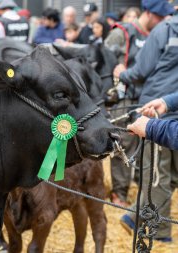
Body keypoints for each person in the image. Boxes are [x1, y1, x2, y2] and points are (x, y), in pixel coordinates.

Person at [114, 0, 177, 242]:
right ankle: (160, 233)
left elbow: (140, 72)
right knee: (166, 175)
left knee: (160, 176)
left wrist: (122, 74)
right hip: (169, 106)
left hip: (156, 109)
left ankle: (134, 216)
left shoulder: (164, 30)